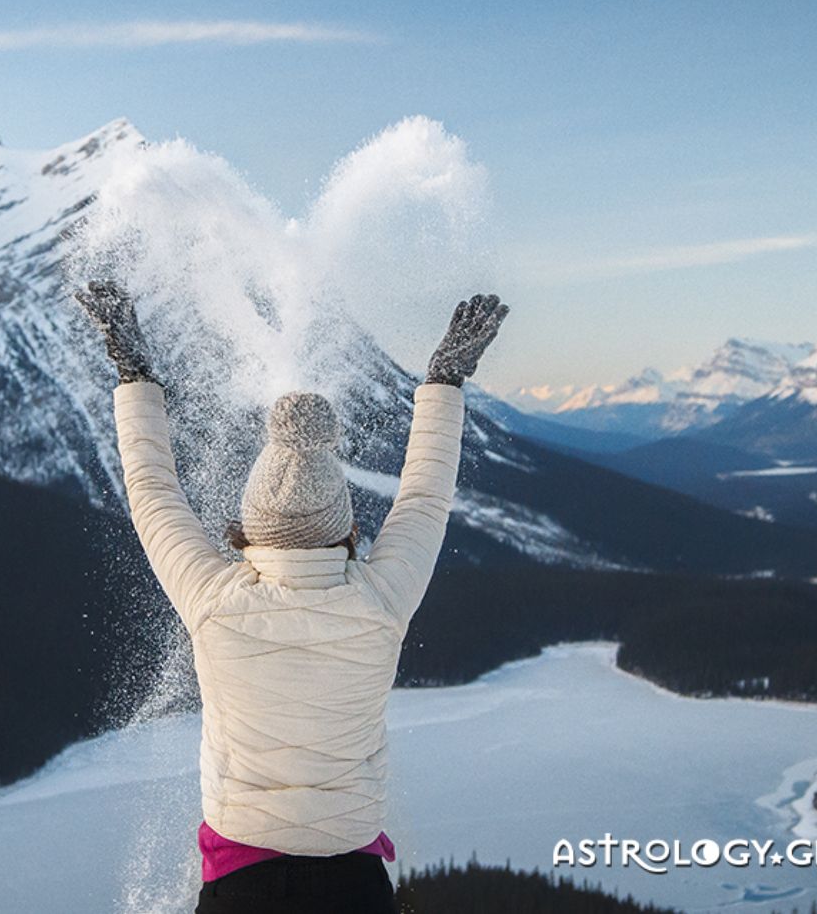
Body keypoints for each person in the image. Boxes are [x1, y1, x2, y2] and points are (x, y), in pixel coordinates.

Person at [77, 282, 509, 914]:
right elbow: (424, 495)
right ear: (346, 526)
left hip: (240, 889)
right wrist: (444, 381)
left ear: (249, 527)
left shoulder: (213, 602)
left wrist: (134, 374)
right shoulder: (380, 601)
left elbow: (151, 490)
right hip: (354, 888)